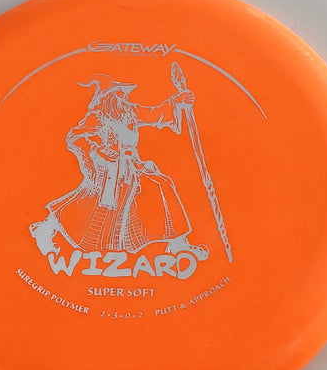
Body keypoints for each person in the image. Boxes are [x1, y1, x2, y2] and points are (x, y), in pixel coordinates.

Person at [30, 73, 208, 260]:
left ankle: (178, 244)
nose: (124, 96)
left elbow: (156, 113)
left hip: (133, 167)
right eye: (119, 92)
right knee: (89, 206)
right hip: (110, 171)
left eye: (124, 92)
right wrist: (97, 152)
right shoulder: (98, 117)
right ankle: (46, 229)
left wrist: (177, 101)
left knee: (161, 184)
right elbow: (74, 137)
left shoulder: (130, 112)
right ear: (108, 97)